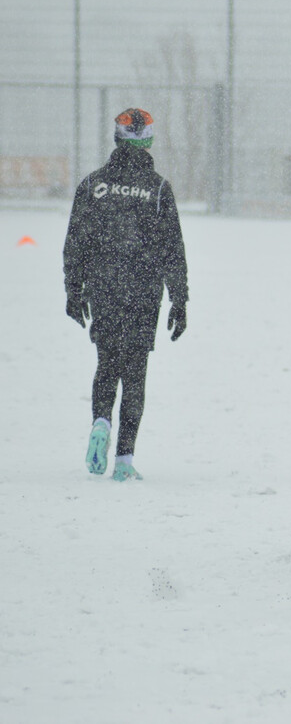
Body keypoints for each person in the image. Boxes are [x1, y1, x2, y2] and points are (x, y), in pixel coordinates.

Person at [63, 108, 189, 481]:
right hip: (144, 289)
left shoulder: (92, 184)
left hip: (104, 287)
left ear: (116, 138)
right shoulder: (159, 189)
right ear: (148, 139)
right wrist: (180, 299)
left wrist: (74, 288)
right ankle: (124, 460)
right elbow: (173, 249)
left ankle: (101, 420)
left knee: (106, 363)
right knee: (135, 372)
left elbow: (75, 242)